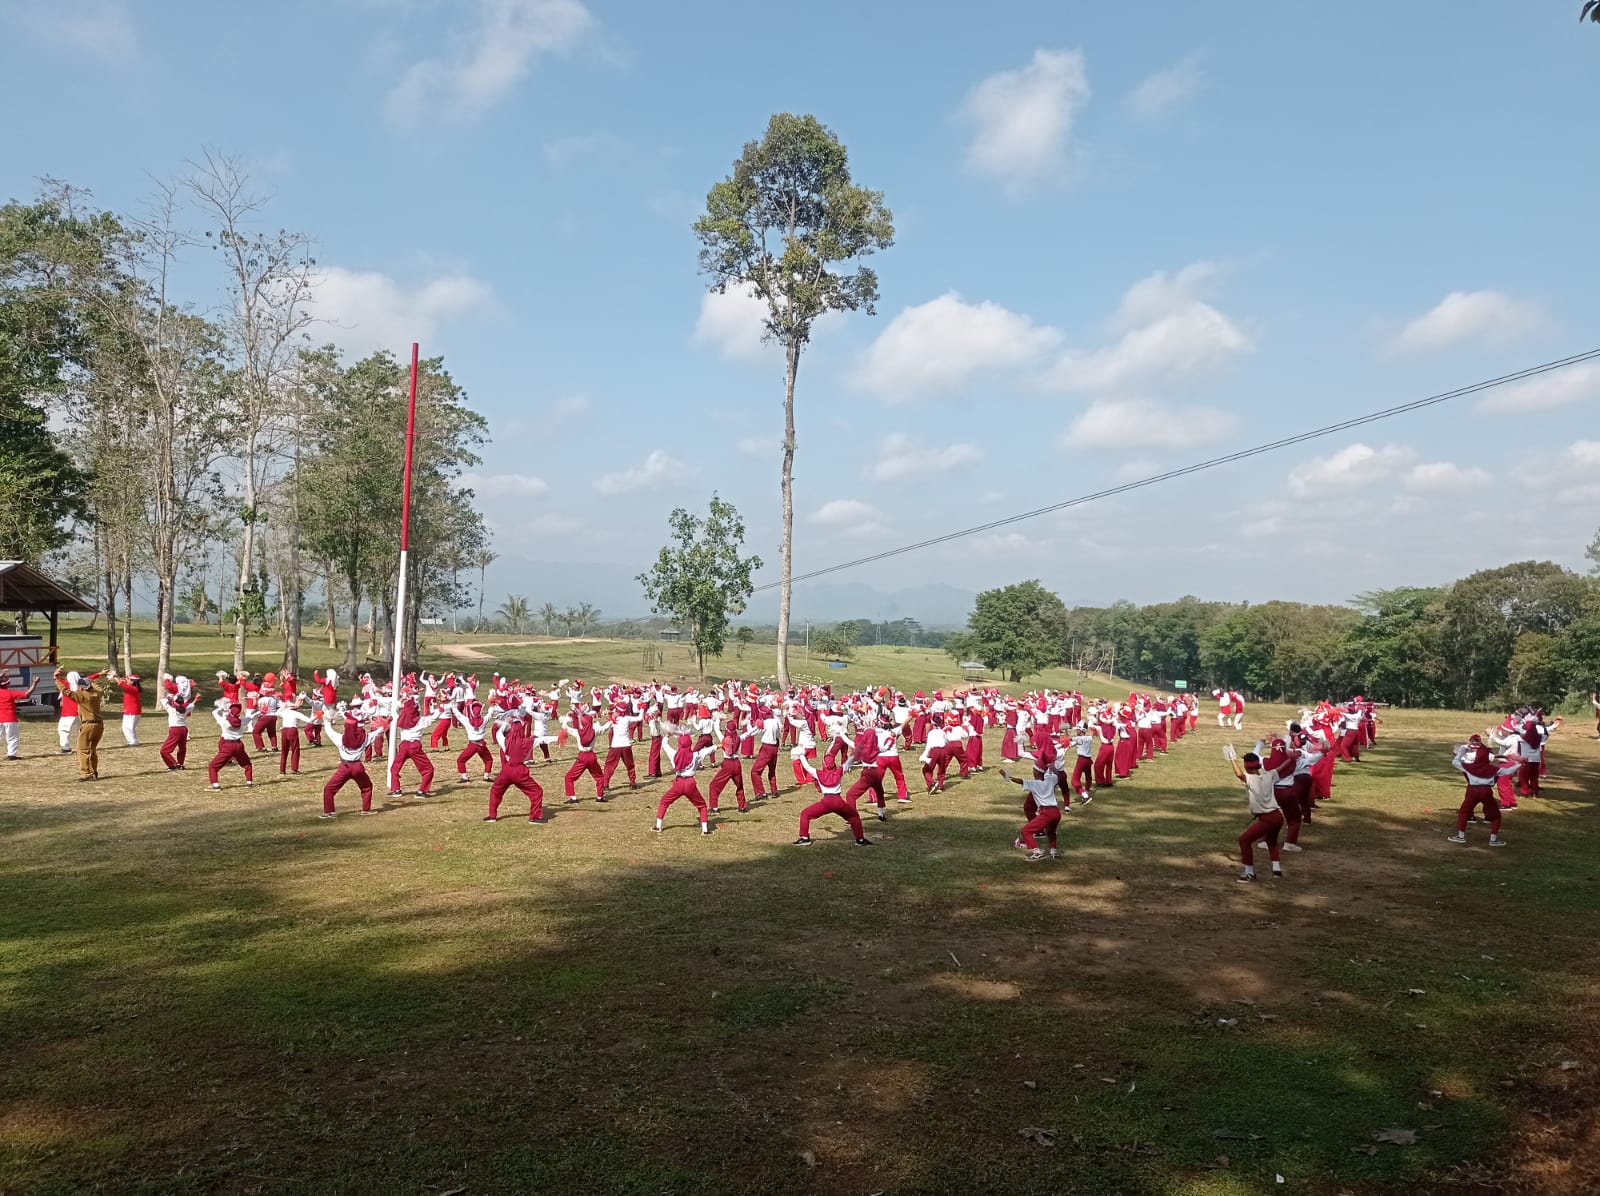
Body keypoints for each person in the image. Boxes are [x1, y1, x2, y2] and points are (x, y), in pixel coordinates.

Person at [1227, 745, 1283, 883]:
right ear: (1258, 765)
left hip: (1266, 818)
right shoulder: (1269, 775)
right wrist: (1292, 758)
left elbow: (1239, 775)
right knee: (1272, 841)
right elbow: (1283, 768)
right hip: (1278, 816)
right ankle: (1277, 869)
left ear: (1246, 767)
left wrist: (1232, 759)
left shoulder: (1250, 779)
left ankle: (1249, 873)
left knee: (1244, 841)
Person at [1447, 735, 1515, 848]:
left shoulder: (1469, 754)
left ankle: (1461, 834)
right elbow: (1499, 762)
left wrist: (1461, 752)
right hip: (1486, 788)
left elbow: (1456, 760)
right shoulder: (1486, 756)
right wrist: (1514, 761)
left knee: (1464, 811)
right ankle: (1493, 837)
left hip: (1472, 786)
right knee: (1496, 815)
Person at [793, 752, 872, 846]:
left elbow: (807, 766)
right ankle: (860, 839)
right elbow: (849, 761)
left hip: (826, 802)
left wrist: (801, 755)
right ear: (834, 764)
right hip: (838, 801)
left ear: (824, 764)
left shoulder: (818, 773)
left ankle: (804, 838)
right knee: (854, 817)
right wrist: (857, 750)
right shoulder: (838, 771)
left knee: (805, 814)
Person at [320, 709, 383, 818]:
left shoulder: (340, 739)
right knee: (367, 787)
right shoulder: (365, 738)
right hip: (358, 767)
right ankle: (366, 810)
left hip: (344, 767)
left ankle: (329, 812)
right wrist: (384, 724)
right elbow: (378, 732)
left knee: (329, 789)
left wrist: (327, 719)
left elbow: (328, 730)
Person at [485, 711, 544, 823]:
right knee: (537, 791)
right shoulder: (527, 741)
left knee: (495, 790)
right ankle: (534, 817)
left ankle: (492, 816)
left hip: (506, 771)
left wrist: (504, 724)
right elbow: (543, 739)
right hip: (520, 772)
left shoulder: (505, 741)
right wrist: (558, 737)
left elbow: (498, 734)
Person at [999, 767, 1061, 862]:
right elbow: (1057, 775)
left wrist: (1007, 776)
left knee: (1026, 831)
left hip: (1046, 812)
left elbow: (1020, 781)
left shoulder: (1034, 784)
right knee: (1051, 832)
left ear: (1036, 773)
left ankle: (1037, 852)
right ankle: (1053, 851)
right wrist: (1051, 767)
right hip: (1056, 812)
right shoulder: (1051, 780)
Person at [654, 734, 712, 835]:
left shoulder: (674, 754)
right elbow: (708, 750)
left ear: (679, 744)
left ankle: (658, 826)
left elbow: (664, 744)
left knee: (664, 802)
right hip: (690, 783)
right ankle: (705, 830)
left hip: (678, 783)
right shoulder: (695, 755)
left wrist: (668, 735)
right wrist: (720, 745)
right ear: (690, 744)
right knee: (702, 805)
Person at [207, 700, 255, 789]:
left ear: (230, 712)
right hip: (239, 745)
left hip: (227, 745)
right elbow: (249, 718)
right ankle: (249, 782)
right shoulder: (241, 722)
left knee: (213, 766)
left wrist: (221, 708)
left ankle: (215, 784)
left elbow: (214, 712)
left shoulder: (225, 722)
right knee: (247, 764)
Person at [0, 670, 40, 760]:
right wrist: (35, 683)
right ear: (7, 684)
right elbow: (27, 694)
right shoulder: (10, 693)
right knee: (13, 738)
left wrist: (1, 675)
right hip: (10, 719)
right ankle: (11, 755)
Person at [74, 672, 107, 782]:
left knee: (82, 749)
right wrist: (95, 678)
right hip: (99, 724)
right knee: (92, 749)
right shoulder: (97, 693)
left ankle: (86, 773)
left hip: (88, 724)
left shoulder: (82, 696)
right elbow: (95, 687)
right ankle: (94, 771)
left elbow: (66, 692)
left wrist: (57, 680)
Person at [157, 681, 196, 770]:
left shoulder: (171, 710)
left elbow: (163, 700)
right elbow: (191, 705)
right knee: (182, 748)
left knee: (164, 751)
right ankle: (181, 764)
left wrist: (169, 697)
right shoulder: (186, 708)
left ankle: (174, 765)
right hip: (184, 730)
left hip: (175, 730)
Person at [113, 672, 143, 746]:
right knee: (132, 728)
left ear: (132, 681)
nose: (127, 680)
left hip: (131, 711)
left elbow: (123, 685)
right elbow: (124, 683)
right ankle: (134, 741)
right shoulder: (135, 688)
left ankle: (132, 742)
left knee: (126, 728)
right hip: (134, 711)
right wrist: (119, 678)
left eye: (128, 679)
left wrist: (116, 678)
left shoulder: (133, 688)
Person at [54, 668, 80, 755]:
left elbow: (57, 680)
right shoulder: (82, 687)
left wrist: (57, 673)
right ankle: (85, 745)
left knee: (63, 730)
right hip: (80, 712)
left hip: (68, 713)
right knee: (82, 730)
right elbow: (90, 678)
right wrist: (99, 673)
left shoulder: (67, 685)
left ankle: (66, 748)